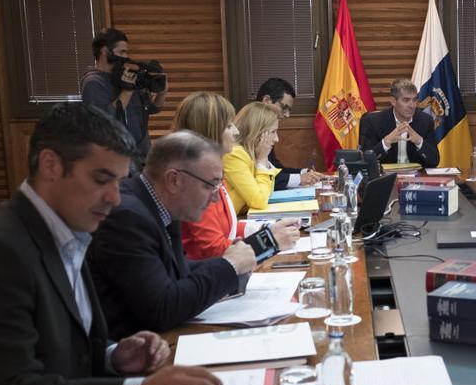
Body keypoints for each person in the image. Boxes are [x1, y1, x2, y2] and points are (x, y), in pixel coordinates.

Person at [0, 104, 222, 385]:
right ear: (51, 165)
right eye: (101, 179)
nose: (114, 196)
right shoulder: (1, 249)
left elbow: (59, 352)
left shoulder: (66, 231)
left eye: (119, 180)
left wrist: (112, 355)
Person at [88, 130, 257, 339]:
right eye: (210, 185)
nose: (216, 197)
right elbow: (163, 308)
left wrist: (229, 264)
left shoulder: (161, 206)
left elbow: (176, 270)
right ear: (174, 180)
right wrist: (228, 266)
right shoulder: (127, 217)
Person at [172, 93, 299, 260]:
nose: (236, 131)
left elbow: (229, 228)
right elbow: (214, 250)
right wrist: (270, 240)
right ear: (211, 132)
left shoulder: (208, 171)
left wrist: (269, 228)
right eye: (229, 126)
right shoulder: (195, 182)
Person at [80, 28, 168, 170]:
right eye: (121, 52)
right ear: (104, 51)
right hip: (118, 162)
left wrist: (162, 93)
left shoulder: (121, 76)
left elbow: (149, 109)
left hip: (142, 158)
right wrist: (127, 91)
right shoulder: (93, 83)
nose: (126, 57)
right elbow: (102, 122)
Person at [256, 77, 326, 189]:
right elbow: (258, 176)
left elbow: (276, 169)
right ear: (266, 101)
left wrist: (303, 172)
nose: (287, 115)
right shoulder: (250, 132)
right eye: (284, 108)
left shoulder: (265, 129)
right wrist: (299, 179)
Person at [359, 79, 440, 168]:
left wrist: (419, 141)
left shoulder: (425, 121)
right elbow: (365, 162)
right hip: (387, 179)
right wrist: (386, 142)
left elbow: (434, 161)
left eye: (414, 100)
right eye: (406, 100)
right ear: (393, 101)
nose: (412, 105)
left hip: (416, 179)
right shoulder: (374, 122)